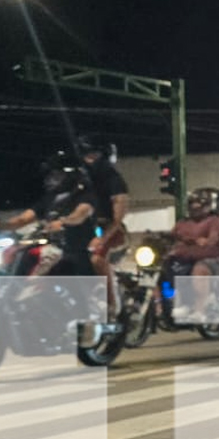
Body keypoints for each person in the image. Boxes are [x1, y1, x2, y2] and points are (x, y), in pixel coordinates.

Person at [0, 164, 96, 278]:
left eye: (56, 175)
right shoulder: (49, 199)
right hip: (53, 247)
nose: (50, 179)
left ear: (70, 175)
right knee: (15, 254)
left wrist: (63, 222)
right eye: (50, 175)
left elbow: (81, 213)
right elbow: (22, 219)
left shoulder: (83, 195)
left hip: (77, 250)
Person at [74, 135, 130, 318]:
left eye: (93, 155)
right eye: (85, 155)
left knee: (97, 260)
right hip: (85, 232)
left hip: (112, 233)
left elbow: (117, 219)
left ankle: (111, 303)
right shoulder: (81, 184)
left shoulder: (115, 181)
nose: (88, 160)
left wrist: (102, 238)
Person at [167, 191, 219, 322]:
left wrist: (205, 241)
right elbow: (172, 235)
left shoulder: (214, 221)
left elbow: (213, 239)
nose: (195, 208)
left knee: (199, 270)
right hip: (185, 257)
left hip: (211, 259)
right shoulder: (183, 222)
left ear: (207, 206)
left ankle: (199, 310)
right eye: (192, 205)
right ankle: (163, 306)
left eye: (198, 205)